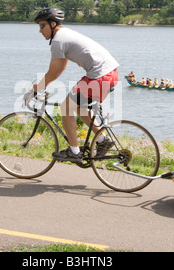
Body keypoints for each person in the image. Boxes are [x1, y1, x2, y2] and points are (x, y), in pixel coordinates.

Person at [33, 8, 120, 163]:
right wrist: (43, 85)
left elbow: (53, 72)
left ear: (53, 24)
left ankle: (74, 152)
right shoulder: (64, 36)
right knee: (79, 107)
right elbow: (60, 68)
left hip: (100, 76)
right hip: (109, 73)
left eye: (42, 26)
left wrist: (37, 87)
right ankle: (102, 140)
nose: (40, 31)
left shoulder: (59, 40)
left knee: (66, 106)